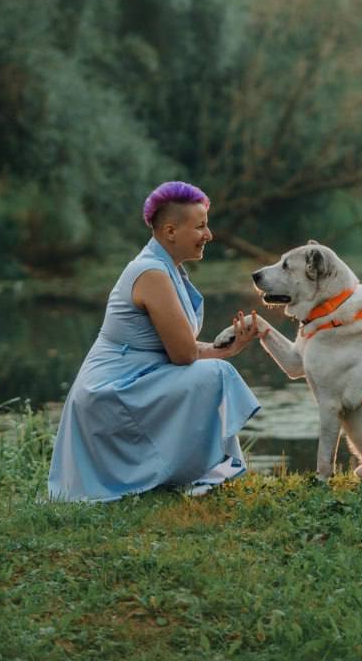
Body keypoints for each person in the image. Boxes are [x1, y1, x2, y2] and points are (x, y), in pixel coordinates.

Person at [48, 181, 262, 501]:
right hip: (110, 392)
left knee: (215, 371)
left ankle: (209, 470)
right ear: (170, 231)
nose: (209, 235)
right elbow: (183, 356)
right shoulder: (151, 273)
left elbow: (176, 350)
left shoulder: (166, 267)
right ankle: (207, 472)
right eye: (201, 226)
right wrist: (222, 355)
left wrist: (227, 348)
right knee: (218, 374)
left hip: (137, 379)